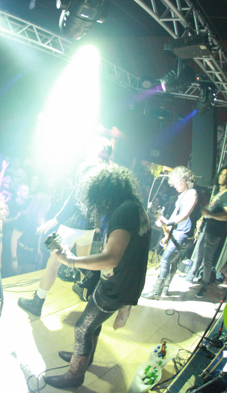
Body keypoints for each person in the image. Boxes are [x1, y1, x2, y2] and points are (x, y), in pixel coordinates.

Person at [43, 163, 151, 388]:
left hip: (116, 285)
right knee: (93, 323)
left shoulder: (123, 212)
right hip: (127, 281)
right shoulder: (134, 206)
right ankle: (85, 358)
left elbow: (112, 258)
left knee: (83, 327)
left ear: (103, 194)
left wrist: (72, 261)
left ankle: (74, 376)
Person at [18, 138, 112, 316]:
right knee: (84, 264)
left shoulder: (87, 166)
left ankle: (37, 302)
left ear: (96, 150)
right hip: (89, 228)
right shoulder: (108, 170)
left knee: (53, 263)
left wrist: (55, 220)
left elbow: (74, 198)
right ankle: (93, 301)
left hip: (72, 225)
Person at [142, 166, 198, 299]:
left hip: (184, 233)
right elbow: (176, 214)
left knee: (165, 260)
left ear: (184, 180)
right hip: (178, 231)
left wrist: (169, 222)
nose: (175, 186)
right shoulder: (182, 194)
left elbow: (185, 214)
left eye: (177, 183)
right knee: (172, 262)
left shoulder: (192, 193)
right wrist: (164, 223)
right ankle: (165, 288)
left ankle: (156, 292)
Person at [189, 168, 227, 299]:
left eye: (225, 175)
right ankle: (190, 276)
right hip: (207, 227)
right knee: (199, 253)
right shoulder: (219, 192)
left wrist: (210, 214)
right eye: (221, 174)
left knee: (207, 260)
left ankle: (204, 286)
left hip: (215, 232)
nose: (221, 176)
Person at [11, 193, 51, 275]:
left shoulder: (42, 217)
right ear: (42, 204)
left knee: (27, 276)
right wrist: (14, 259)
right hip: (20, 251)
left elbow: (39, 234)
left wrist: (38, 248)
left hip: (32, 252)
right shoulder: (25, 216)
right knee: (15, 276)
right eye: (48, 203)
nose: (50, 205)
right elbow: (14, 238)